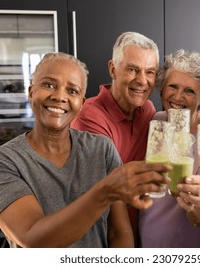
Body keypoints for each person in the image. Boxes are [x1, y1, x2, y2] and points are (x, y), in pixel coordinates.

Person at [0, 52, 170, 248]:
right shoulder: (1, 161)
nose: (59, 96)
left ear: (81, 104)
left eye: (72, 91)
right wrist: (106, 191)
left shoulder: (102, 149)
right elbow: (34, 240)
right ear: (30, 92)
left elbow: (118, 233)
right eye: (49, 85)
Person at [71, 31, 159, 244]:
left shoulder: (147, 110)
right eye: (132, 69)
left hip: (140, 233)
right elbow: (108, 196)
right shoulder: (89, 117)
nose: (142, 81)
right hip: (104, 239)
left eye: (150, 72)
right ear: (113, 68)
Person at [139, 49, 200, 247]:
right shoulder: (156, 122)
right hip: (147, 243)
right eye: (172, 87)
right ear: (162, 89)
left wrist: (196, 200)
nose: (178, 96)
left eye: (189, 91)